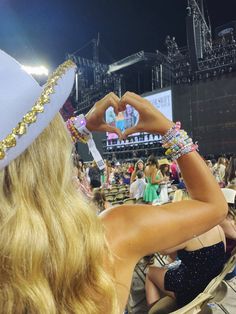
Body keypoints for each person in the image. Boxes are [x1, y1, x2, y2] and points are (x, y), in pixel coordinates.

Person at [0, 50, 227, 313]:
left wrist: (77, 127)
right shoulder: (112, 234)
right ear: (51, 150)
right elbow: (213, 205)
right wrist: (167, 129)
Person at [145, 191, 226, 308]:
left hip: (192, 292)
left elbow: (162, 250)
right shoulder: (217, 226)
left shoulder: (187, 233)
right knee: (172, 263)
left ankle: (154, 310)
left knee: (150, 272)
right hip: (212, 286)